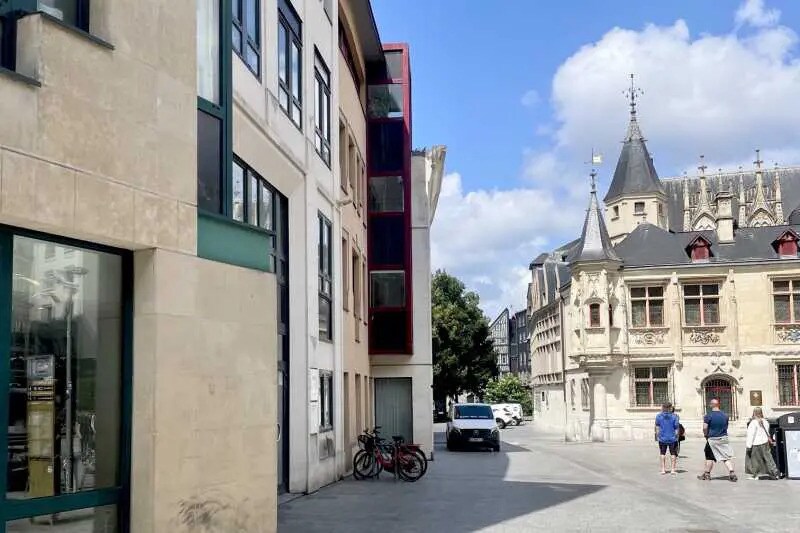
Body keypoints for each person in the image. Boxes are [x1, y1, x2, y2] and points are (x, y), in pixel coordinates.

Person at [698, 398, 737, 482]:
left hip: (712, 439)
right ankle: (732, 472)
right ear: (718, 405)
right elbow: (726, 426)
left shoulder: (708, 416)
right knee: (725, 457)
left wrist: (706, 435)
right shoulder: (725, 415)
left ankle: (707, 474)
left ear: (712, 405)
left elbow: (705, 427)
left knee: (709, 457)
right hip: (723, 438)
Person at [745, 407, 780, 480]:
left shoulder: (753, 422)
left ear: (754, 413)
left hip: (756, 443)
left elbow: (751, 435)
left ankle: (755, 475)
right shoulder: (766, 421)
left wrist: (749, 445)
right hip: (765, 442)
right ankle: (774, 473)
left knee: (755, 460)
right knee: (768, 458)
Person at [655, 402, 680, 475]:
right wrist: (676, 436)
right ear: (670, 408)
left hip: (662, 437)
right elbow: (676, 428)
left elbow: (657, 427)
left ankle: (663, 469)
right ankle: (672, 470)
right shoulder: (675, 416)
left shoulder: (659, 416)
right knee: (673, 454)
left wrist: (657, 436)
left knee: (662, 453)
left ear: (663, 407)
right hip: (672, 438)